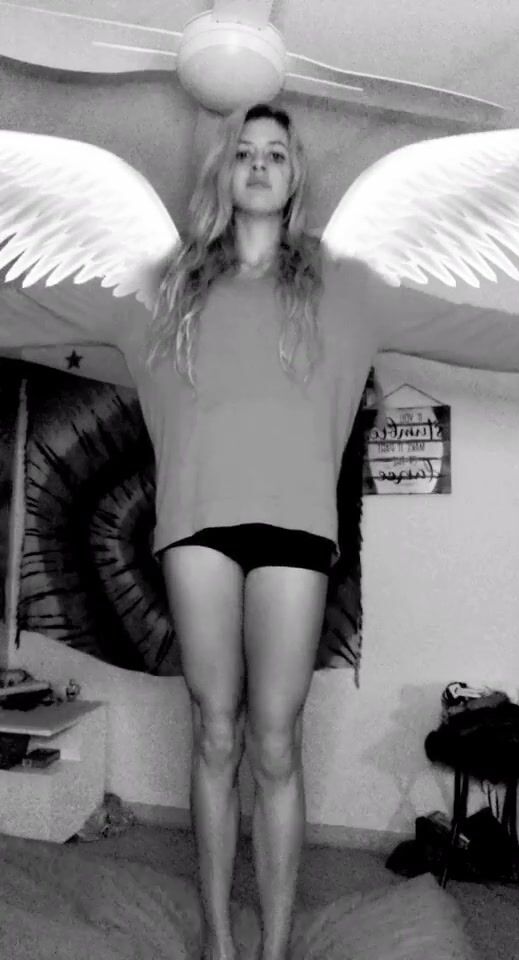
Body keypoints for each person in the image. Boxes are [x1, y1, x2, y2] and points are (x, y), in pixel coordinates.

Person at [139, 101, 375, 960]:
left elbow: (461, 317)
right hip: (197, 522)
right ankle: (218, 939)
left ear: (295, 174)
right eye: (244, 151)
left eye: (277, 152)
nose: (261, 164)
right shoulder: (168, 286)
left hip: (296, 527)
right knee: (214, 729)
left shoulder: (342, 289)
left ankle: (273, 948)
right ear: (224, 171)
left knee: (276, 743)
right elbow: (45, 305)